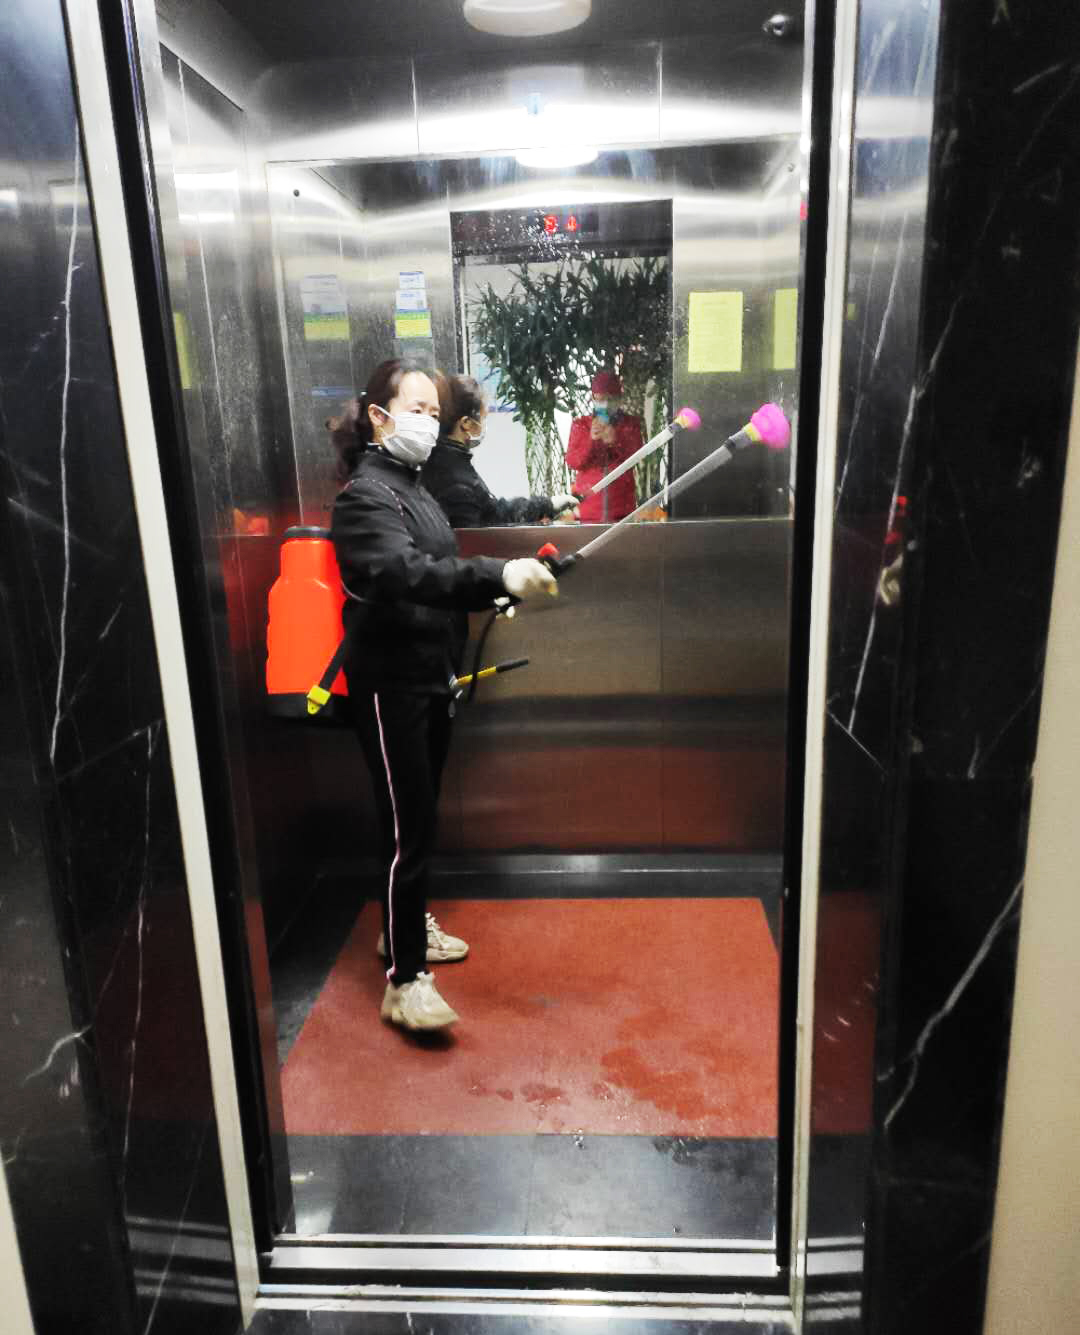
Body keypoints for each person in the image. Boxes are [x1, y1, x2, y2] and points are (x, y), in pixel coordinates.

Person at [327, 359, 557, 1033]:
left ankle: (401, 928)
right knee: (409, 827)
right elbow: (401, 572)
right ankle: (404, 981)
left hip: (430, 673)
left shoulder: (415, 489)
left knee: (419, 820)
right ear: (379, 417)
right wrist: (495, 573)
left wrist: (491, 593)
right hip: (390, 681)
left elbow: (437, 574)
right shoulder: (364, 497)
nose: (429, 422)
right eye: (417, 409)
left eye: (435, 411)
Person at [421, 373, 578, 527]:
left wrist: (546, 504)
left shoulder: (442, 462)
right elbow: (477, 532)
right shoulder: (456, 480)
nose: (483, 425)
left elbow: (495, 512)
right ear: (466, 423)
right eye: (482, 418)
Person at [565, 371, 645, 523]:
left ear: (619, 399)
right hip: (587, 513)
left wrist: (616, 440)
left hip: (622, 513)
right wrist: (591, 440)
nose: (606, 404)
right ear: (593, 398)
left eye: (611, 399)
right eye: (601, 399)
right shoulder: (582, 424)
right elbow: (573, 461)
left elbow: (637, 457)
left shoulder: (630, 424)